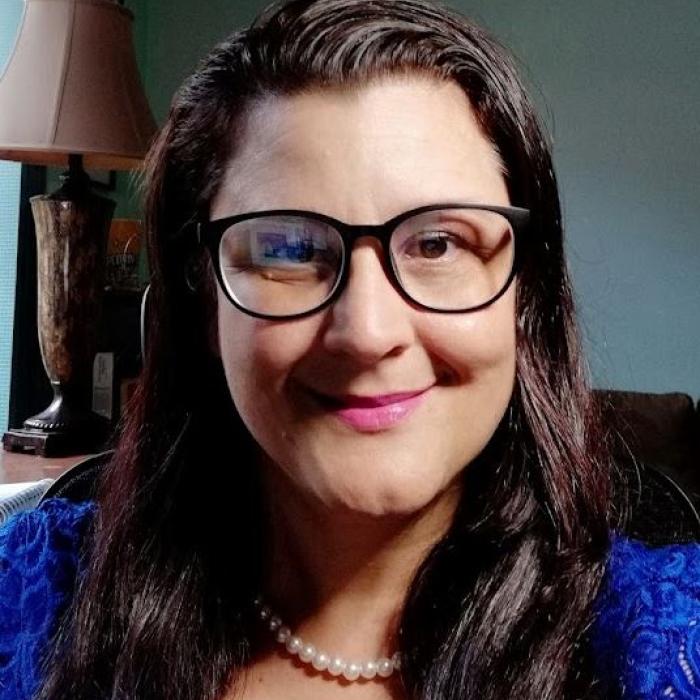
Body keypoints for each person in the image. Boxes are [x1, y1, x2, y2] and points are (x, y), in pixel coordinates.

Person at [1, 1, 699, 698]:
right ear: (204, 302)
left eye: (438, 244)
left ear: (525, 297)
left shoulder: (667, 643)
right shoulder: (35, 597)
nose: (367, 333)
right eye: (288, 249)